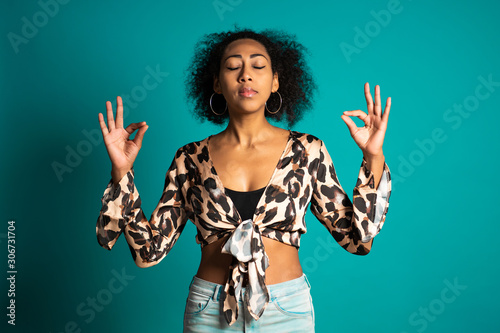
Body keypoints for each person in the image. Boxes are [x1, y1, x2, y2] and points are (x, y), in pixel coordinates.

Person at [96, 27, 392, 332]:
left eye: (258, 66)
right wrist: (121, 172)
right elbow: (148, 253)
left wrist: (374, 155)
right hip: (209, 311)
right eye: (233, 66)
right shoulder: (190, 158)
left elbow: (358, 241)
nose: (246, 75)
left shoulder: (307, 151)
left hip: (286, 309)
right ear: (216, 83)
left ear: (276, 80)